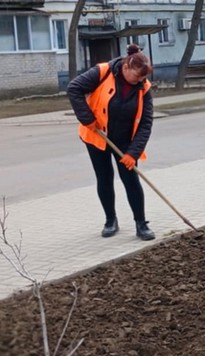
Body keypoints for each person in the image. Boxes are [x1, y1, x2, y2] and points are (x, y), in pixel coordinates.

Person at [67, 44, 156, 241]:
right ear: (126, 68)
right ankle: (110, 220)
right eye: (137, 77)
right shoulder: (103, 71)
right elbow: (74, 88)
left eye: (143, 78)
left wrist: (133, 153)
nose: (140, 81)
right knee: (104, 178)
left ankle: (141, 224)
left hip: (125, 141)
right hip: (97, 135)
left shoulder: (144, 88)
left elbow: (146, 123)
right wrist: (86, 118)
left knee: (131, 180)